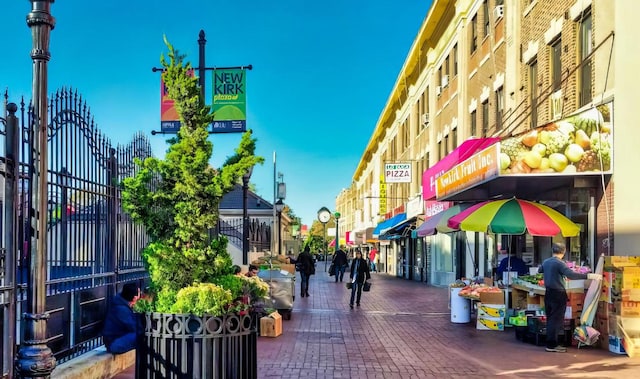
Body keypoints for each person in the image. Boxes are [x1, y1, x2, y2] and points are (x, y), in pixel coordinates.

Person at [539, 242, 601, 353]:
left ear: (552, 251)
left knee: (550, 318)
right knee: (556, 319)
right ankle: (552, 345)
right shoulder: (559, 263)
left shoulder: (546, 261)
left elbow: (540, 270)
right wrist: (589, 276)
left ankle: (550, 342)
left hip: (548, 293)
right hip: (558, 293)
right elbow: (571, 275)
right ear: (563, 252)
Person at [102, 282, 140, 354]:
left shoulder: (121, 304)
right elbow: (133, 327)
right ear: (134, 298)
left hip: (117, 339)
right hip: (114, 344)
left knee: (140, 335)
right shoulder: (121, 309)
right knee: (141, 336)